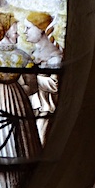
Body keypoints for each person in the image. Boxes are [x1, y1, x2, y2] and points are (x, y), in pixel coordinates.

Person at [0, 11, 41, 188]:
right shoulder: (23, 57)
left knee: (0, 149)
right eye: (15, 28)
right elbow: (32, 88)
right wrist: (17, 94)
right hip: (18, 102)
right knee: (24, 148)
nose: (17, 32)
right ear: (6, 29)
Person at [22, 11, 63, 144]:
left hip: (45, 110)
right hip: (32, 106)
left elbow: (54, 84)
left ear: (41, 30)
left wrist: (32, 78)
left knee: (39, 144)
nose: (24, 32)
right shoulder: (34, 53)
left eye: (28, 28)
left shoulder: (54, 56)